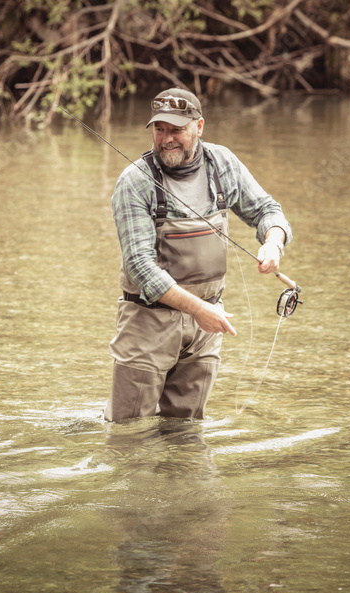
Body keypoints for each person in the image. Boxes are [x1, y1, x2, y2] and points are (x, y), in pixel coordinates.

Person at [105, 88, 293, 422]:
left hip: (206, 326)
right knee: (128, 433)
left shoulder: (222, 164)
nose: (166, 139)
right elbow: (140, 268)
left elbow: (267, 210)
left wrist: (273, 242)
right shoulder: (135, 181)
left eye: (176, 130)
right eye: (159, 129)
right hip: (148, 322)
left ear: (199, 126)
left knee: (186, 431)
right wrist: (199, 310)